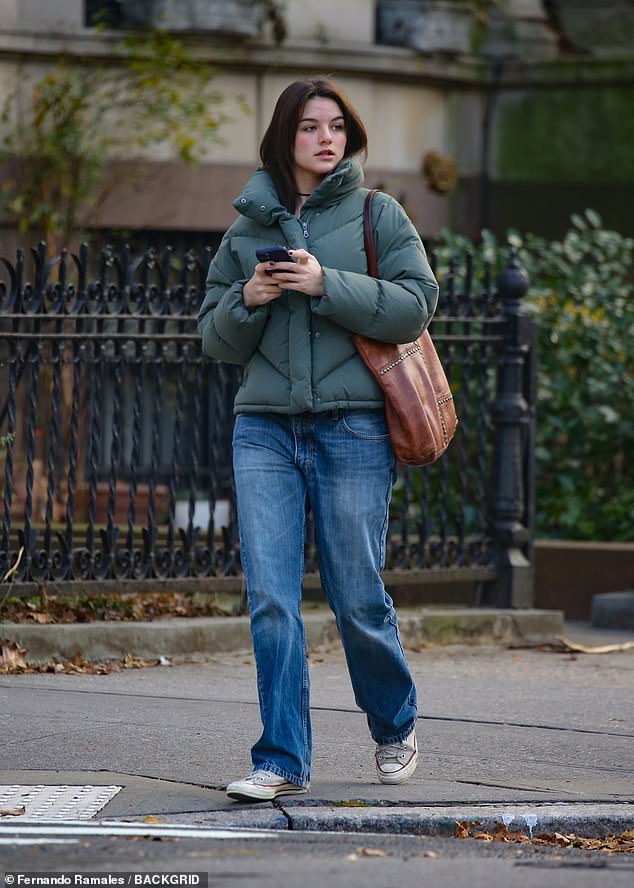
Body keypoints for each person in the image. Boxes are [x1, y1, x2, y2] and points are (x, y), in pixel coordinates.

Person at [198, 77, 439, 802]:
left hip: (353, 427)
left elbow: (417, 303)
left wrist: (323, 282)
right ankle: (281, 759)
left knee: (356, 594)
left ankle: (395, 725)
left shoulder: (377, 213)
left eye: (336, 125)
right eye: (309, 127)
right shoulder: (246, 231)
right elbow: (214, 339)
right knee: (271, 597)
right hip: (265, 429)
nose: (326, 138)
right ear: (284, 137)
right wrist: (249, 298)